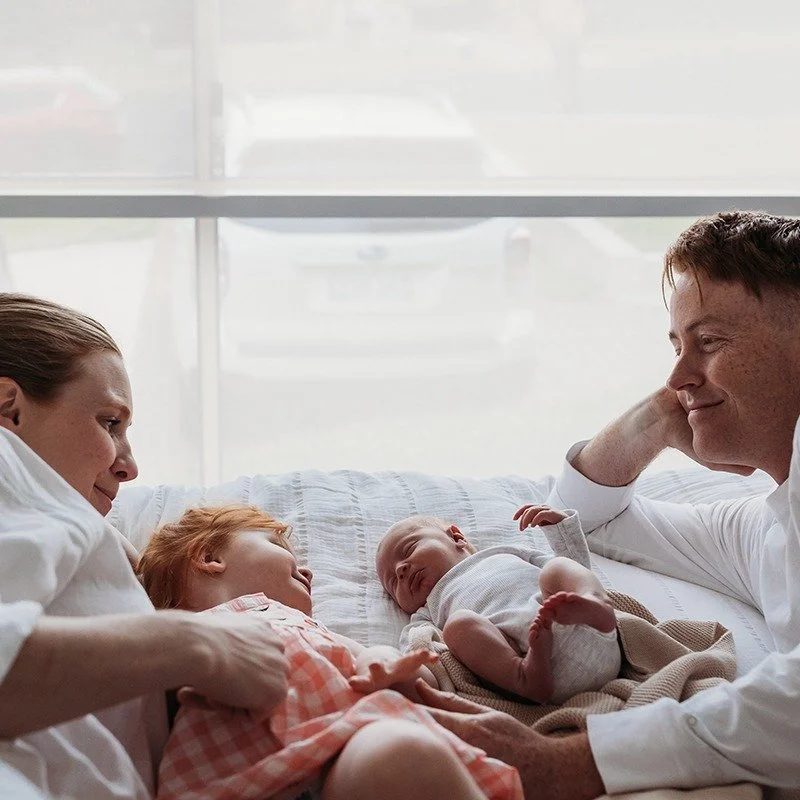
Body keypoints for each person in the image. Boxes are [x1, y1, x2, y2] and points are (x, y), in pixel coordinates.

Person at [0, 293, 487, 800]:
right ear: (8, 408)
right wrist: (200, 646)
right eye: (109, 423)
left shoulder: (74, 526)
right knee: (398, 759)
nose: (130, 467)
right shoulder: (11, 468)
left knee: (394, 760)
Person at [414, 210, 800, 799]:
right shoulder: (771, 523)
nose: (677, 375)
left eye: (709, 342)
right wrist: (655, 419)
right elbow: (591, 521)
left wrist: (562, 761)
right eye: (677, 346)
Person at [137, 504, 522, 800]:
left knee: (401, 752)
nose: (308, 572)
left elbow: (402, 671)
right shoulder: (182, 633)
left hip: (342, 759)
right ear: (210, 557)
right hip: (245, 782)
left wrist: (385, 664)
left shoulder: (311, 628)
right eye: (277, 546)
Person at [377, 510, 620, 704]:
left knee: (556, 568)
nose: (400, 570)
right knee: (457, 626)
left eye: (409, 549)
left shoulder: (504, 552)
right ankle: (523, 676)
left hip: (586, 626)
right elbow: (417, 651)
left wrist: (560, 529)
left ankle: (597, 603)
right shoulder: (427, 611)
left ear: (456, 537)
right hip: (537, 662)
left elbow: (577, 569)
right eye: (393, 583)